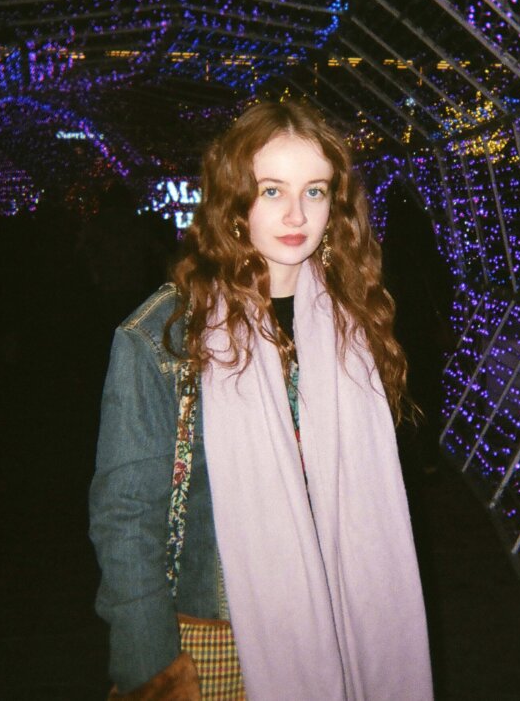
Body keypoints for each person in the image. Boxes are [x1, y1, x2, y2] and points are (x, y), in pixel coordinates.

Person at [89, 101, 433, 700]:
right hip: (221, 637)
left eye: (316, 191)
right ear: (233, 198)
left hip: (347, 621)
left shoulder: (353, 321)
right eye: (271, 190)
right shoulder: (163, 336)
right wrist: (153, 671)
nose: (296, 214)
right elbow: (125, 520)